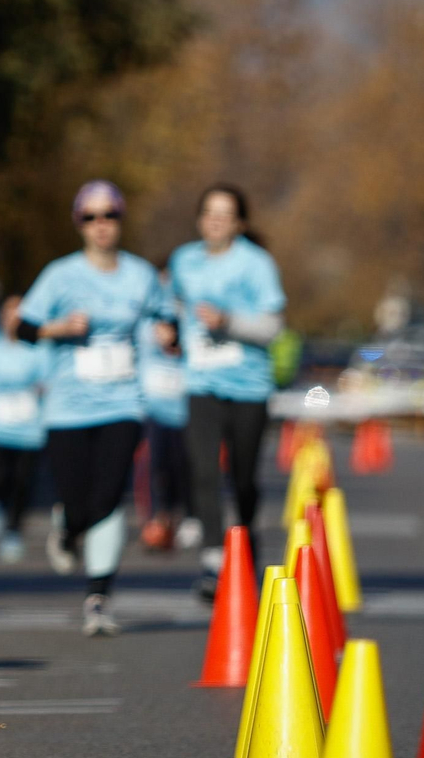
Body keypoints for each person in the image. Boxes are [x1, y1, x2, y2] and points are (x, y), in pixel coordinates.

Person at [17, 180, 165, 636]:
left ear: (120, 221)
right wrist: (57, 328)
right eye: (91, 217)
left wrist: (169, 334)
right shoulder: (60, 275)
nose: (101, 225)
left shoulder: (140, 275)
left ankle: (98, 597)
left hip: (122, 401)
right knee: (78, 499)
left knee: (109, 496)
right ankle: (68, 526)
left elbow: (165, 317)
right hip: (67, 406)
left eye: (110, 216)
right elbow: (23, 328)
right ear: (79, 224)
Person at [169, 183, 286, 600]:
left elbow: (273, 327)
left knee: (243, 478)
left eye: (226, 213)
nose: (216, 220)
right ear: (200, 219)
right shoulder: (183, 261)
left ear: (239, 222)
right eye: (209, 212)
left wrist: (228, 322)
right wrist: (169, 330)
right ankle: (213, 560)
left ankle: (248, 537)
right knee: (202, 469)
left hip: (248, 386)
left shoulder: (256, 264)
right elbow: (173, 310)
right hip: (201, 381)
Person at [0, 295, 48, 562]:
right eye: (9, 314)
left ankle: (13, 531)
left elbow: (46, 379)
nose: (14, 320)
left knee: (22, 483)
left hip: (29, 427)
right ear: (1, 317)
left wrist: (43, 390)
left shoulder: (38, 349)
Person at [137, 306, 199, 553]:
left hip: (183, 420)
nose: (162, 334)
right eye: (158, 329)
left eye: (168, 329)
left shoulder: (187, 355)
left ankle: (186, 515)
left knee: (182, 469)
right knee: (154, 469)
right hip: (154, 419)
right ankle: (157, 519)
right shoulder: (147, 351)